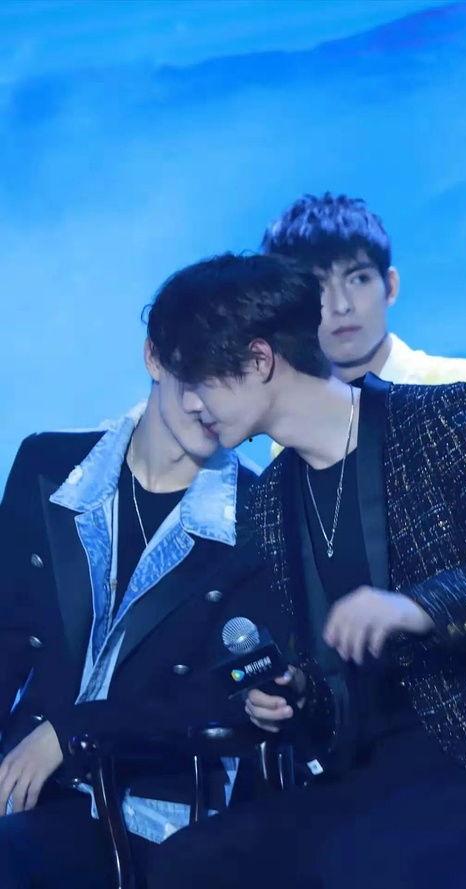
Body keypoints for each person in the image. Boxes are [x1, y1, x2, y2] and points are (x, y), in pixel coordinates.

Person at [148, 251, 466, 888]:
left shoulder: (437, 420)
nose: (192, 404)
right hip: (357, 772)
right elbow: (320, 672)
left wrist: (417, 607)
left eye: (197, 379)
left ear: (259, 360)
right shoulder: (268, 500)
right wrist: (293, 691)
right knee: (186, 864)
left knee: (361, 861)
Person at [0, 289, 291, 887]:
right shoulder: (48, 466)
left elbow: (240, 684)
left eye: (233, 375)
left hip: (156, 810)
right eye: (200, 372)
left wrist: (78, 730)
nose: (211, 401)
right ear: (154, 357)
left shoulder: (258, 513)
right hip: (22, 781)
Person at [261, 192, 466, 398]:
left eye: (359, 279)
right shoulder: (290, 432)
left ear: (391, 286)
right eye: (316, 287)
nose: (342, 305)